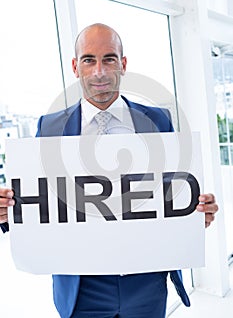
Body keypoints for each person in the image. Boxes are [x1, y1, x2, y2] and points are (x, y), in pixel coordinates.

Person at [0, 23, 218, 318]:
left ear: (123, 64)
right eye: (89, 60)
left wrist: (194, 212)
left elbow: (171, 192)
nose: (99, 71)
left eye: (109, 59)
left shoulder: (157, 121)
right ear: (76, 67)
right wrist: (9, 212)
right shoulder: (50, 127)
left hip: (146, 281)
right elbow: (44, 201)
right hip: (82, 286)